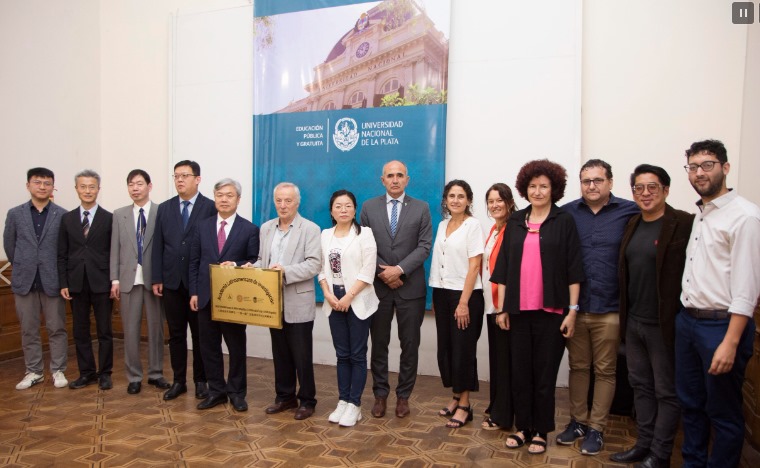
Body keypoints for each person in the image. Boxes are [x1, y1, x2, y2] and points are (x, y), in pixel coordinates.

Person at [491, 159, 585, 455]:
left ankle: (541, 430)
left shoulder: (564, 220)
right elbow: (503, 268)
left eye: (544, 186)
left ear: (554, 188)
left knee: (544, 375)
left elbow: (574, 268)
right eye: (533, 186)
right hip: (518, 311)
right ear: (524, 188)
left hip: (552, 312)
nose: (538, 191)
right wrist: (502, 309)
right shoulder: (516, 222)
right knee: (520, 373)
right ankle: (523, 428)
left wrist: (572, 310)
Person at [676, 139, 760, 468]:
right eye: (693, 167)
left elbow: (746, 289)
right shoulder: (703, 214)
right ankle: (693, 463)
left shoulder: (745, 217)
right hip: (689, 323)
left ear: (725, 168)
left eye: (707, 165)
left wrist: (731, 341)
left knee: (723, 411)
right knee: (691, 404)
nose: (699, 173)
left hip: (721, 327)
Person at [610, 165, 693, 468]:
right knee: (640, 386)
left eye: (652, 187)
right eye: (638, 188)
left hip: (664, 324)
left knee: (666, 391)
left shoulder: (683, 223)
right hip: (633, 322)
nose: (645, 194)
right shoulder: (633, 223)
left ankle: (660, 454)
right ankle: (642, 445)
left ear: (666, 190)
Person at [559, 159, 638, 455]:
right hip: (576, 308)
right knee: (578, 367)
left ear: (610, 182)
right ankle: (577, 421)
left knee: (605, 370)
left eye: (597, 180)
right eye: (586, 180)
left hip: (611, 308)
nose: (591, 186)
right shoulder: (567, 213)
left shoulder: (630, 211)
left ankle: (597, 428)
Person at [359, 160, 432, 419]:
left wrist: (399, 270)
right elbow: (364, 247)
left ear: (407, 179)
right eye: (390, 175)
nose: (395, 180)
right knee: (378, 344)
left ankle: (403, 396)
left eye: (400, 175)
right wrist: (384, 273)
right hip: (378, 289)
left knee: (409, 344)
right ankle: (380, 394)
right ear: (382, 180)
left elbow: (424, 246)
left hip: (410, 288)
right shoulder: (368, 208)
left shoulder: (422, 208)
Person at [189, 178, 259, 412]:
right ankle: (216, 391)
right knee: (208, 347)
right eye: (220, 195)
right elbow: (194, 261)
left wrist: (237, 264)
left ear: (238, 199)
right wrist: (194, 292)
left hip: (234, 299)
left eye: (229, 195)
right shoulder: (202, 225)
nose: (224, 199)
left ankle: (237, 393)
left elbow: (253, 261)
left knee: (236, 347)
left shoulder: (249, 229)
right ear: (215, 197)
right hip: (206, 296)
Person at [252, 182, 321, 420]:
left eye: (288, 200)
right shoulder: (266, 228)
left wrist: (285, 272)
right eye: (279, 200)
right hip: (272, 302)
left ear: (297, 202)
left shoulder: (310, 228)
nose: (283, 205)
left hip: (298, 301)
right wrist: (243, 268)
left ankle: (308, 400)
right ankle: (285, 397)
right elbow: (262, 260)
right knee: (280, 353)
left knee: (302, 355)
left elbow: (314, 264)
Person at [153, 160, 216, 401]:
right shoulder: (165, 208)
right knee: (176, 335)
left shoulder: (209, 207)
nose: (180, 180)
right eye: (176, 176)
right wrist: (157, 277)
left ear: (197, 179)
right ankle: (179, 380)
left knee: (200, 335)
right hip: (171, 282)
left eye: (185, 176)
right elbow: (159, 244)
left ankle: (201, 381)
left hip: (198, 284)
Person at [318, 190, 379, 427]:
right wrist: (327, 293)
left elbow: (368, 270)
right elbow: (321, 268)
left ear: (355, 209)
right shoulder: (325, 235)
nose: (343, 210)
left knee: (357, 354)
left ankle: (355, 404)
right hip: (333, 298)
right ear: (331, 211)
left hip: (357, 298)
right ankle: (343, 400)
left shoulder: (365, 234)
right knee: (342, 354)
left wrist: (349, 297)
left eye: (348, 206)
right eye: (338, 206)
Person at [4, 168, 69, 390]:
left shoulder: (62, 214)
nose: (42, 186)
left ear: (53, 187)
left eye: (47, 183)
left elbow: (65, 249)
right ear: (28, 185)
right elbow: (9, 245)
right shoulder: (15, 214)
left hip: (53, 281)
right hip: (25, 281)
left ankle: (58, 369)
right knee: (28, 329)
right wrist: (24, 264)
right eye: (37, 182)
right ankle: (34, 371)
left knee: (56, 328)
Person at [429, 179, 485, 429]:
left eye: (461, 196)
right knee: (447, 349)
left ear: (469, 200)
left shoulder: (473, 226)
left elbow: (474, 266)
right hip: (441, 291)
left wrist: (463, 303)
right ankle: (454, 397)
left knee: (463, 350)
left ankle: (465, 405)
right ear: (446, 200)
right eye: (451, 196)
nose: (455, 200)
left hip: (465, 295)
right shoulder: (442, 225)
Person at [110, 169, 169, 395]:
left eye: (139, 184)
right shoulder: (119, 214)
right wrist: (114, 279)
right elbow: (115, 248)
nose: (135, 188)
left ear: (149, 186)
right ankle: (133, 376)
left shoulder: (160, 212)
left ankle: (156, 373)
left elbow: (164, 248)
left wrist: (161, 277)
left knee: (156, 330)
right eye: (131, 184)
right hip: (127, 280)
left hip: (153, 281)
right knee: (131, 330)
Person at [57, 170, 114, 391]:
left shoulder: (109, 218)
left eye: (92, 187)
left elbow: (113, 253)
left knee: (104, 330)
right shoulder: (67, 218)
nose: (87, 191)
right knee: (80, 331)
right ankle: (86, 373)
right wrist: (63, 282)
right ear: (76, 189)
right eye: (83, 187)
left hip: (102, 282)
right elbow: (62, 253)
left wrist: (114, 280)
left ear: (98, 189)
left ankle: (105, 373)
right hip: (76, 283)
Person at [480, 183, 517, 431]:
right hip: (491, 305)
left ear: (509, 202)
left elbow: (511, 271)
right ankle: (496, 405)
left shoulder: (514, 229)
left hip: (505, 307)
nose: (495, 205)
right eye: (491, 201)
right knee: (497, 360)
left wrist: (504, 307)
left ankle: (503, 416)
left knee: (506, 364)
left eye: (499, 200)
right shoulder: (494, 229)